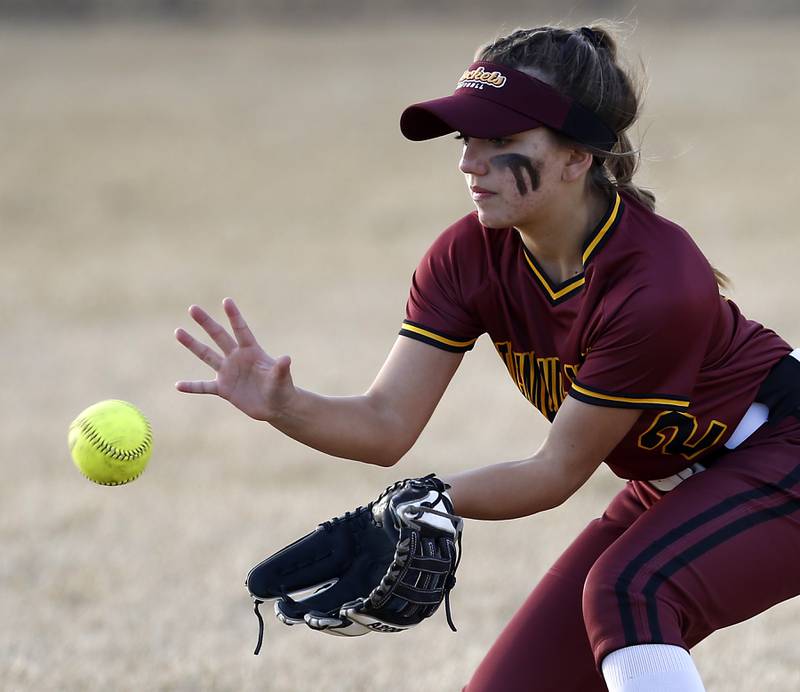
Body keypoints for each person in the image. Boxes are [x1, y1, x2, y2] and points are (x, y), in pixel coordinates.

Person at [174, 23, 800, 692]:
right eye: (467, 138)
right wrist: (287, 407)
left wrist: (420, 505)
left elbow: (556, 470)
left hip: (783, 452)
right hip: (677, 478)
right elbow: (386, 424)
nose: (471, 161)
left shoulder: (657, 278)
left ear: (575, 157)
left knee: (628, 594)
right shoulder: (468, 255)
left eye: (501, 141)